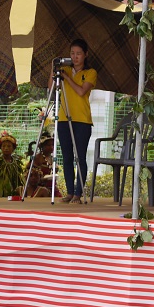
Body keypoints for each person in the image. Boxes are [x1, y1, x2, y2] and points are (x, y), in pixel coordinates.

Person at [49, 38, 97, 204]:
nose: (75, 57)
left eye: (78, 54)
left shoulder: (90, 72)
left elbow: (81, 91)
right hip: (64, 118)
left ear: (85, 55)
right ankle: (69, 192)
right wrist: (54, 69)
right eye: (72, 53)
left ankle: (78, 193)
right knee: (67, 157)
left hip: (82, 120)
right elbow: (51, 87)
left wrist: (68, 78)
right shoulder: (65, 69)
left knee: (80, 157)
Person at [0, 131, 24, 197]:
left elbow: (18, 180)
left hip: (14, 193)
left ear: (13, 148)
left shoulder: (16, 162)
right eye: (3, 146)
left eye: (9, 146)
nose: (6, 148)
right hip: (0, 193)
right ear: (0, 147)